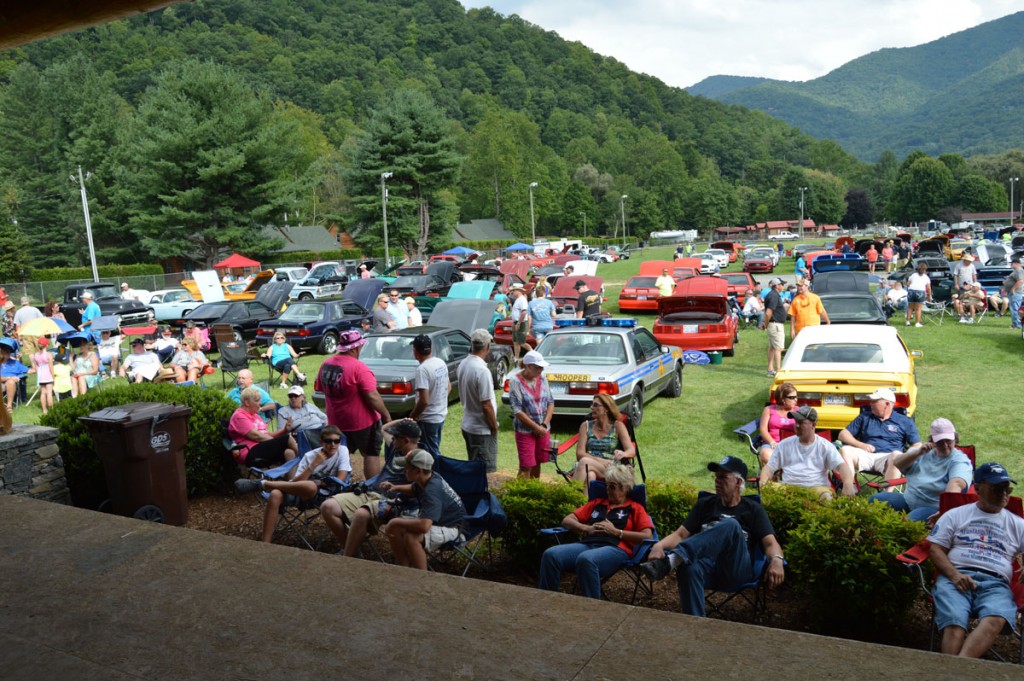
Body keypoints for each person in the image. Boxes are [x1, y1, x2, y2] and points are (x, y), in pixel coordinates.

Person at [641, 456, 785, 617]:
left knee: (730, 525)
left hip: (735, 569)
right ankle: (695, 625)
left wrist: (777, 560)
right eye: (716, 477)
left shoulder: (753, 509)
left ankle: (673, 560)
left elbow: (770, 543)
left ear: (738, 482)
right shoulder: (705, 504)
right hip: (706, 566)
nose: (717, 481)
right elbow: (680, 534)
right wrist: (658, 545)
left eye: (723, 477)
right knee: (689, 567)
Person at [928, 462, 1024, 658]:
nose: (1004, 494)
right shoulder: (956, 515)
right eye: (996, 489)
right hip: (956, 578)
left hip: (996, 584)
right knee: (955, 623)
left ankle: (954, 673)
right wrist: (955, 576)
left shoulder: (1018, 524)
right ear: (978, 488)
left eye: (1007, 489)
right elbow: (936, 548)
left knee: (996, 618)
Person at [537, 463, 655, 599]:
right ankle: (545, 601)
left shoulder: (635, 508)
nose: (607, 490)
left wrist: (617, 532)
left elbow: (647, 535)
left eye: (612, 486)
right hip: (587, 545)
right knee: (551, 555)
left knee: (587, 559)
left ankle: (593, 609)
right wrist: (587, 528)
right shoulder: (597, 503)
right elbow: (567, 520)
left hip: (615, 549)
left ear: (625, 488)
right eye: (606, 485)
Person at [320, 419, 421, 558]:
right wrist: (404, 420)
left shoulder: (420, 459)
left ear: (406, 440)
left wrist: (395, 488)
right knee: (328, 507)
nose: (392, 439)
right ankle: (352, 550)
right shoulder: (395, 447)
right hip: (370, 491)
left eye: (396, 437)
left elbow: (419, 488)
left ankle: (347, 557)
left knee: (361, 514)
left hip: (393, 500)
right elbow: (384, 429)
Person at [233, 425, 352, 543]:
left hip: (327, 495)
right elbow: (297, 482)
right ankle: (265, 543)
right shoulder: (310, 456)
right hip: (300, 492)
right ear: (321, 442)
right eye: (328, 441)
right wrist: (313, 464)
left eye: (337, 441)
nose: (333, 445)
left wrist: (319, 482)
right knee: (275, 494)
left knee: (310, 486)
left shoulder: (342, 451)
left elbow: (340, 479)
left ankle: (265, 484)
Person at [315, 329, 391, 479]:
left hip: (337, 421)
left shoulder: (326, 364)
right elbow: (372, 396)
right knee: (370, 453)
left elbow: (321, 388)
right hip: (363, 422)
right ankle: (371, 489)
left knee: (341, 452)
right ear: (356, 347)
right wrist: (386, 415)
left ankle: (337, 484)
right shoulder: (359, 368)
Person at [871, 418, 972, 523]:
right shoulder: (923, 452)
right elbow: (897, 463)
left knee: (908, 523)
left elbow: (956, 483)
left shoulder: (959, 460)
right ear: (932, 441)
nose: (945, 445)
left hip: (933, 508)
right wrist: (918, 452)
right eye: (940, 442)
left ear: (955, 439)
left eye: (948, 441)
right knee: (875, 501)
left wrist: (944, 509)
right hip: (907, 500)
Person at [381, 448, 466, 571]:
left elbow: (424, 526)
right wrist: (395, 487)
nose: (404, 470)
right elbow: (413, 488)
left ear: (418, 470)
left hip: (454, 529)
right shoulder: (427, 478)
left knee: (411, 537)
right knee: (396, 527)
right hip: (439, 522)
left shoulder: (432, 491)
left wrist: (395, 521)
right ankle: (403, 570)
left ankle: (421, 577)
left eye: (407, 467)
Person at [758, 406, 856, 501]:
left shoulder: (825, 446)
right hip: (787, 488)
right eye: (796, 422)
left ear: (813, 425)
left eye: (801, 422)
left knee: (826, 497)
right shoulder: (784, 444)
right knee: (768, 491)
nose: (796, 425)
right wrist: (763, 483)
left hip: (817, 489)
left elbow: (842, 467)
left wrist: (848, 484)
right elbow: (769, 468)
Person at [838, 387, 921, 480]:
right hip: (866, 456)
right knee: (845, 450)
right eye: (871, 401)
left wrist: (908, 455)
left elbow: (917, 444)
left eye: (874, 401)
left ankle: (887, 493)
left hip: (889, 458)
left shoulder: (905, 421)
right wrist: (861, 445)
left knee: (896, 455)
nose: (870, 404)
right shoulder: (865, 417)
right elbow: (843, 434)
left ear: (887, 404)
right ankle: (849, 486)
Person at [457, 329, 499, 473]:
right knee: (484, 472)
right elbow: (486, 405)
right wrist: (494, 427)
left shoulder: (463, 363)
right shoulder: (482, 370)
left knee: (474, 470)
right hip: (481, 429)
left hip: (468, 424)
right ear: (488, 346)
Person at [509, 350, 554, 479]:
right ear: (528, 366)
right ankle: (520, 496)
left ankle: (534, 493)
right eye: (538, 367)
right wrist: (536, 427)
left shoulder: (543, 378)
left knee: (537, 462)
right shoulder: (515, 381)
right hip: (525, 430)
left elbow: (550, 402)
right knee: (526, 466)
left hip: (543, 428)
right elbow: (517, 410)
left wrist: (544, 425)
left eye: (542, 367)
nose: (541, 370)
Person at [227, 386, 297, 468]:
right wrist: (278, 442)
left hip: (261, 447)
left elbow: (266, 434)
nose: (260, 403)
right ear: (247, 403)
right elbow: (256, 436)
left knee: (289, 453)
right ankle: (306, 461)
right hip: (250, 452)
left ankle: (294, 480)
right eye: (257, 400)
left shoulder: (255, 415)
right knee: (287, 438)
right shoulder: (239, 416)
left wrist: (284, 430)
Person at [572, 394, 635, 484]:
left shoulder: (617, 426)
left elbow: (631, 450)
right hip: (590, 464)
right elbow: (579, 453)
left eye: (596, 405)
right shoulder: (585, 426)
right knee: (590, 475)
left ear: (606, 409)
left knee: (584, 463)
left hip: (610, 467)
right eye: (592, 404)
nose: (591, 407)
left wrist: (623, 453)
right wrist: (599, 460)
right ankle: (586, 498)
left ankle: (570, 495)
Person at [409, 334, 450, 459]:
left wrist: (413, 416)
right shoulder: (440, 362)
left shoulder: (423, 369)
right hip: (440, 415)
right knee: (434, 448)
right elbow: (448, 387)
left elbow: (424, 400)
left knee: (430, 455)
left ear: (415, 351)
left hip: (428, 419)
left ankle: (435, 476)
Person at [757, 382, 798, 466]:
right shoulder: (768, 409)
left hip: (792, 445)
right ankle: (773, 478)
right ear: (782, 399)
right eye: (792, 397)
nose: (796, 399)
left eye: (796, 397)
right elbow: (763, 429)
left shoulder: (798, 411)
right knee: (765, 454)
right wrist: (772, 442)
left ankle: (782, 473)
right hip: (772, 444)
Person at [760, 277, 788, 377]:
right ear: (777, 285)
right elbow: (768, 313)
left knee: (772, 348)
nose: (783, 286)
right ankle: (778, 371)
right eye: (782, 284)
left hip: (773, 324)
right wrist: (766, 324)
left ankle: (770, 369)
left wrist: (765, 323)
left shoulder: (772, 295)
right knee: (778, 348)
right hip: (775, 324)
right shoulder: (774, 296)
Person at [1, 339, 28, 413]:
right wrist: (8, 378)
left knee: (10, 382)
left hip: (9, 384)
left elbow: (28, 370)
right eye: (5, 351)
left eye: (8, 351)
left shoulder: (15, 362)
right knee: (10, 380)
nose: (7, 353)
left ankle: (9, 406)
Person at [30, 337, 54, 415]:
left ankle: (44, 410)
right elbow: (51, 367)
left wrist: (38, 375)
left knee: (43, 392)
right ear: (47, 345)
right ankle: (51, 409)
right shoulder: (48, 354)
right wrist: (53, 376)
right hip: (48, 375)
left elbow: (36, 367)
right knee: (49, 393)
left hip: (41, 376)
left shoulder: (35, 355)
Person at [905, 262, 932, 328]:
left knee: (910, 307)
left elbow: (908, 284)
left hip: (911, 291)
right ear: (925, 270)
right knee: (918, 309)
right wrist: (930, 295)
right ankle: (917, 323)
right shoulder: (926, 277)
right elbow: (928, 288)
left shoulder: (913, 275)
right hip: (920, 292)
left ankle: (908, 321)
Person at [509, 283, 531, 360]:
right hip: (516, 322)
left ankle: (532, 352)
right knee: (515, 341)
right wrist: (514, 322)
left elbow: (524, 312)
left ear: (518, 291)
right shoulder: (518, 299)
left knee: (521, 342)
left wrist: (518, 323)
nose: (512, 293)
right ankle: (516, 358)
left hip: (521, 323)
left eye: (513, 291)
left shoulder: (522, 300)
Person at [1004, 257, 1023, 330]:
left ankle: (1017, 324)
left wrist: (1013, 288)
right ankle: (1016, 323)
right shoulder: (1017, 271)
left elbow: (1020, 281)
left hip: (1015, 292)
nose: (1011, 265)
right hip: (1014, 292)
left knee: (1015, 308)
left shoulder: (1019, 270)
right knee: (1014, 308)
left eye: (1012, 263)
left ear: (1016, 264)